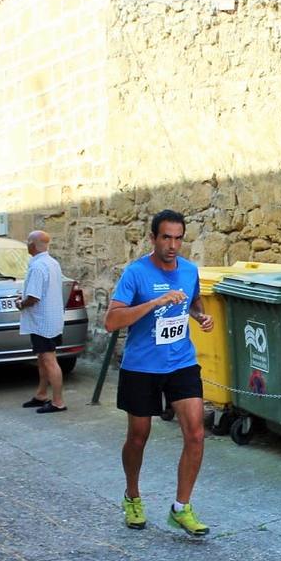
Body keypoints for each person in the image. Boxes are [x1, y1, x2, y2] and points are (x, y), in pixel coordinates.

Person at [105, 209, 215, 537]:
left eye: (178, 238)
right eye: (166, 237)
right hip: (141, 367)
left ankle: (181, 508)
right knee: (138, 436)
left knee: (196, 433)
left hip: (181, 362)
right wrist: (155, 302)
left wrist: (200, 317)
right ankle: (132, 496)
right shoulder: (135, 274)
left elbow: (193, 302)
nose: (173, 245)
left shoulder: (189, 271)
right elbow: (112, 321)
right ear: (153, 238)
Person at [18, 230, 67, 414]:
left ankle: (58, 401)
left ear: (32, 245)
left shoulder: (37, 267)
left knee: (48, 360)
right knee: (43, 359)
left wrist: (20, 304)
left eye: (28, 242)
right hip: (52, 319)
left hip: (42, 322)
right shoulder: (53, 263)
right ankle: (41, 394)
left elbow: (33, 297)